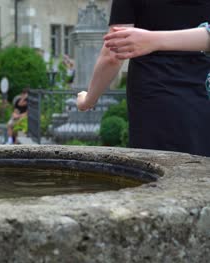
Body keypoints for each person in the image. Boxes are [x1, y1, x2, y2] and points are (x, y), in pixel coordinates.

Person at [76, 0, 210, 157]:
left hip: (154, 98)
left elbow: (113, 55)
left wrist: (88, 100)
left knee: (155, 170)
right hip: (203, 95)